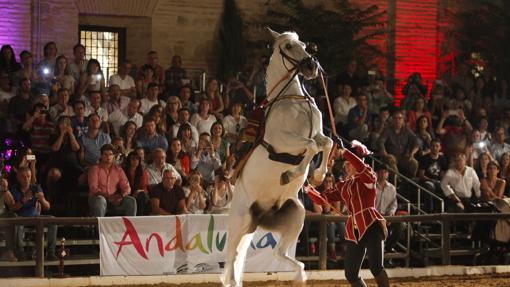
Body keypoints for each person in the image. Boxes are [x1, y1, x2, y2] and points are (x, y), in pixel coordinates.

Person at [323, 140, 389, 287]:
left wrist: (345, 151)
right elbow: (325, 197)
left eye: (349, 162)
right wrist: (309, 188)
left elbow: (361, 167)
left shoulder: (368, 176)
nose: (346, 165)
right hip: (354, 230)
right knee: (351, 274)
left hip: (372, 226)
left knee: (376, 267)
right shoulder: (345, 185)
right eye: (345, 163)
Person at [8, 166, 58, 260]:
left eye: (28, 176)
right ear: (18, 178)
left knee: (52, 219)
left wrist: (42, 200)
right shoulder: (13, 189)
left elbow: (47, 207)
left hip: (35, 218)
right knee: (16, 220)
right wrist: (24, 200)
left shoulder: (35, 187)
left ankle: (51, 252)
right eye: (23, 177)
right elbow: (12, 208)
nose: (26, 179)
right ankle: (20, 251)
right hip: (20, 218)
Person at [88, 144, 136, 217]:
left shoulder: (118, 170)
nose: (108, 157)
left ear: (113, 156)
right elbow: (93, 188)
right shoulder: (95, 169)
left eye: (110, 154)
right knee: (100, 200)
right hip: (98, 198)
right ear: (101, 156)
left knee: (131, 201)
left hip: (114, 200)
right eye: (105, 154)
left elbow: (127, 188)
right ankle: (99, 227)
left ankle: (129, 227)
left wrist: (121, 195)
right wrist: (108, 197)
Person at [375, 164, 403, 256]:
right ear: (376, 173)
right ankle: (377, 250)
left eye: (384, 172)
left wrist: (390, 215)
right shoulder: (371, 187)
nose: (382, 174)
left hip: (387, 215)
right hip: (373, 216)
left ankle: (389, 246)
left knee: (400, 225)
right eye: (380, 172)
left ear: (387, 174)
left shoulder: (392, 188)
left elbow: (393, 204)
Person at [417, 138, 448, 212]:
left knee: (448, 187)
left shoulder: (442, 159)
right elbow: (421, 175)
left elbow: (442, 174)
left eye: (437, 146)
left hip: (438, 181)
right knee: (429, 186)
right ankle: (429, 211)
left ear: (440, 147)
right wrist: (431, 180)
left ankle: (444, 211)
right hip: (426, 180)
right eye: (433, 146)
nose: (435, 148)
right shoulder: (424, 158)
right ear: (430, 147)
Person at [124, 151, 150, 216]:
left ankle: (140, 217)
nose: (135, 161)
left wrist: (137, 192)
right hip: (127, 194)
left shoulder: (143, 172)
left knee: (142, 196)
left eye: (137, 159)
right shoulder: (123, 171)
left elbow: (144, 187)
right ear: (129, 160)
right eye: (132, 159)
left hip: (140, 193)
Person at [0, 179, 17, 262]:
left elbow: (12, 205)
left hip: (2, 217)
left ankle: (9, 252)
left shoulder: (3, 189)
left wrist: (5, 189)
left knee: (12, 216)